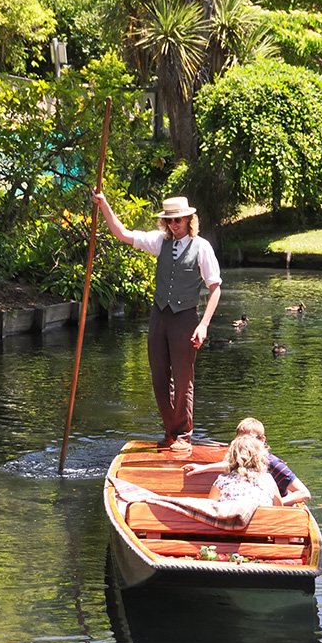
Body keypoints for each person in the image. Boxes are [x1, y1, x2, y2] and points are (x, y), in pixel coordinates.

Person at [93, 192, 221, 452]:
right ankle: (170, 432)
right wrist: (104, 204)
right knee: (159, 377)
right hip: (159, 316)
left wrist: (203, 324)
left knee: (184, 378)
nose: (174, 226)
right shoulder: (159, 242)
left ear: (188, 220)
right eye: (170, 222)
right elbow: (123, 234)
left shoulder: (202, 247)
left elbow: (215, 287)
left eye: (178, 221)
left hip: (185, 317)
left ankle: (184, 435)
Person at [183, 417, 313, 506]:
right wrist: (202, 468)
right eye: (241, 438)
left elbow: (304, 493)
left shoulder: (273, 463)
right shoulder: (240, 461)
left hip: (271, 510)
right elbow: (233, 465)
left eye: (250, 438)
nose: (245, 443)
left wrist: (267, 505)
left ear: (262, 440)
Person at [209, 434, 281, 508]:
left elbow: (210, 508)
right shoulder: (267, 479)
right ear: (259, 457)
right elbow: (279, 508)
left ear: (231, 457)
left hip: (232, 518)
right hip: (262, 518)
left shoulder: (222, 480)